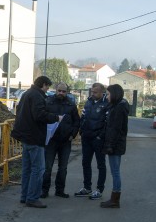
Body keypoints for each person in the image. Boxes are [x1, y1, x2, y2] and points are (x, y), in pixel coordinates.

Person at [11, 76, 63, 208]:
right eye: (47, 87)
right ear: (44, 85)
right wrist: (56, 118)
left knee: (27, 168)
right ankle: (33, 197)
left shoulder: (27, 93)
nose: (47, 90)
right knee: (38, 169)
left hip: (25, 136)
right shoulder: (37, 96)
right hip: (34, 136)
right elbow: (39, 115)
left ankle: (25, 196)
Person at [41, 83, 80, 198]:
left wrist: (73, 134)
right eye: (59, 91)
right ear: (55, 90)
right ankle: (44, 190)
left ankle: (60, 190)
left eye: (64, 91)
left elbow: (76, 122)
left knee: (63, 168)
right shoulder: (48, 103)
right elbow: (43, 118)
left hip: (65, 141)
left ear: (67, 92)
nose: (61, 93)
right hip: (51, 140)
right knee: (47, 167)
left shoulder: (71, 105)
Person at [75, 82, 108, 199]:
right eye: (92, 92)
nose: (93, 94)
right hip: (87, 138)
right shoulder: (88, 102)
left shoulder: (106, 103)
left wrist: (100, 136)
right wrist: (81, 131)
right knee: (85, 163)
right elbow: (83, 117)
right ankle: (87, 188)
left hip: (98, 139)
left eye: (95, 92)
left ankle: (99, 189)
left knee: (101, 165)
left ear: (102, 92)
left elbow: (107, 123)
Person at [100, 84, 129, 208]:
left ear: (114, 94)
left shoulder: (119, 108)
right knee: (115, 171)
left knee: (115, 172)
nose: (106, 97)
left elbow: (115, 129)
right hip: (116, 144)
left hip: (115, 145)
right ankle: (114, 198)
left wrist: (109, 145)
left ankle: (115, 199)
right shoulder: (117, 106)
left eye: (108, 94)